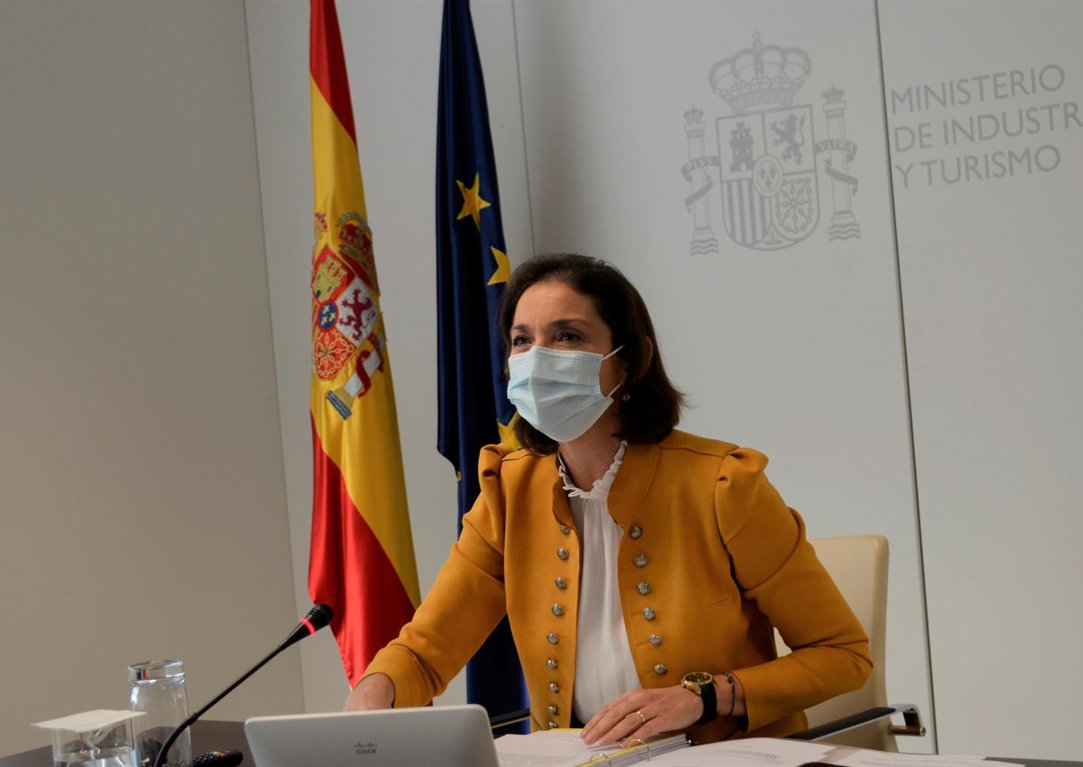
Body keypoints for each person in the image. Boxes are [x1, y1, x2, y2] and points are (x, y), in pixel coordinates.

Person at [344, 253, 871, 745]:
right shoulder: (507, 491)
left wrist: (705, 696)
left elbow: (843, 654)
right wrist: (374, 692)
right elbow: (425, 652)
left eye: (567, 336)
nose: (538, 357)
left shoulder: (723, 486)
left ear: (630, 361)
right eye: (522, 340)